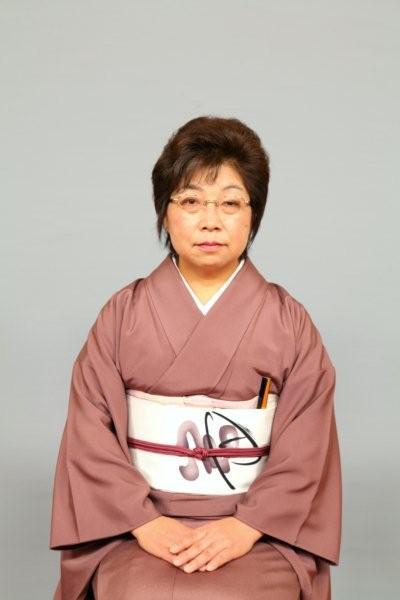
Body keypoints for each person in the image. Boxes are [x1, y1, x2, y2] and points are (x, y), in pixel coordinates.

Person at [49, 115, 342, 600]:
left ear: (253, 215)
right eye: (190, 201)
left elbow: (307, 449)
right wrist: (144, 522)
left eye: (230, 202)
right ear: (165, 213)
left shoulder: (288, 321)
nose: (210, 220)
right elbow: (89, 435)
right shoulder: (123, 315)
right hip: (136, 525)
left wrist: (246, 526)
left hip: (257, 529)